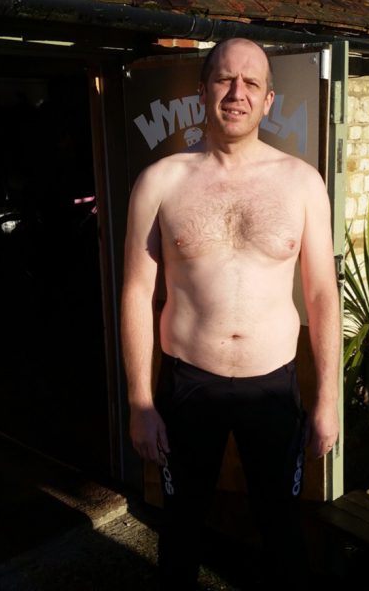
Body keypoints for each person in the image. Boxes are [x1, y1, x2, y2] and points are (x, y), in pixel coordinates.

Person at [121, 38, 340, 589]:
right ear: (202, 92)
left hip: (273, 388)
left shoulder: (302, 183)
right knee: (180, 530)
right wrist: (141, 403)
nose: (236, 92)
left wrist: (328, 400)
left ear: (268, 100)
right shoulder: (160, 181)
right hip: (188, 385)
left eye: (251, 83)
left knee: (282, 529)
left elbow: (322, 295)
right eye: (224, 79)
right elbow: (137, 293)